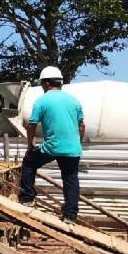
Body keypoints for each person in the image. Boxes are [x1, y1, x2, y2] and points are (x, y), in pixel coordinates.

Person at [18, 66, 85, 222]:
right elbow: (82, 126)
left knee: (29, 162)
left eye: (42, 84)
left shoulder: (42, 101)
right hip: (73, 149)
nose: (42, 87)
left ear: (47, 83)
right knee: (70, 178)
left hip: (52, 147)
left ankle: (28, 198)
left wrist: (30, 145)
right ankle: (70, 215)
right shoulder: (74, 101)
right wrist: (77, 143)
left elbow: (31, 125)